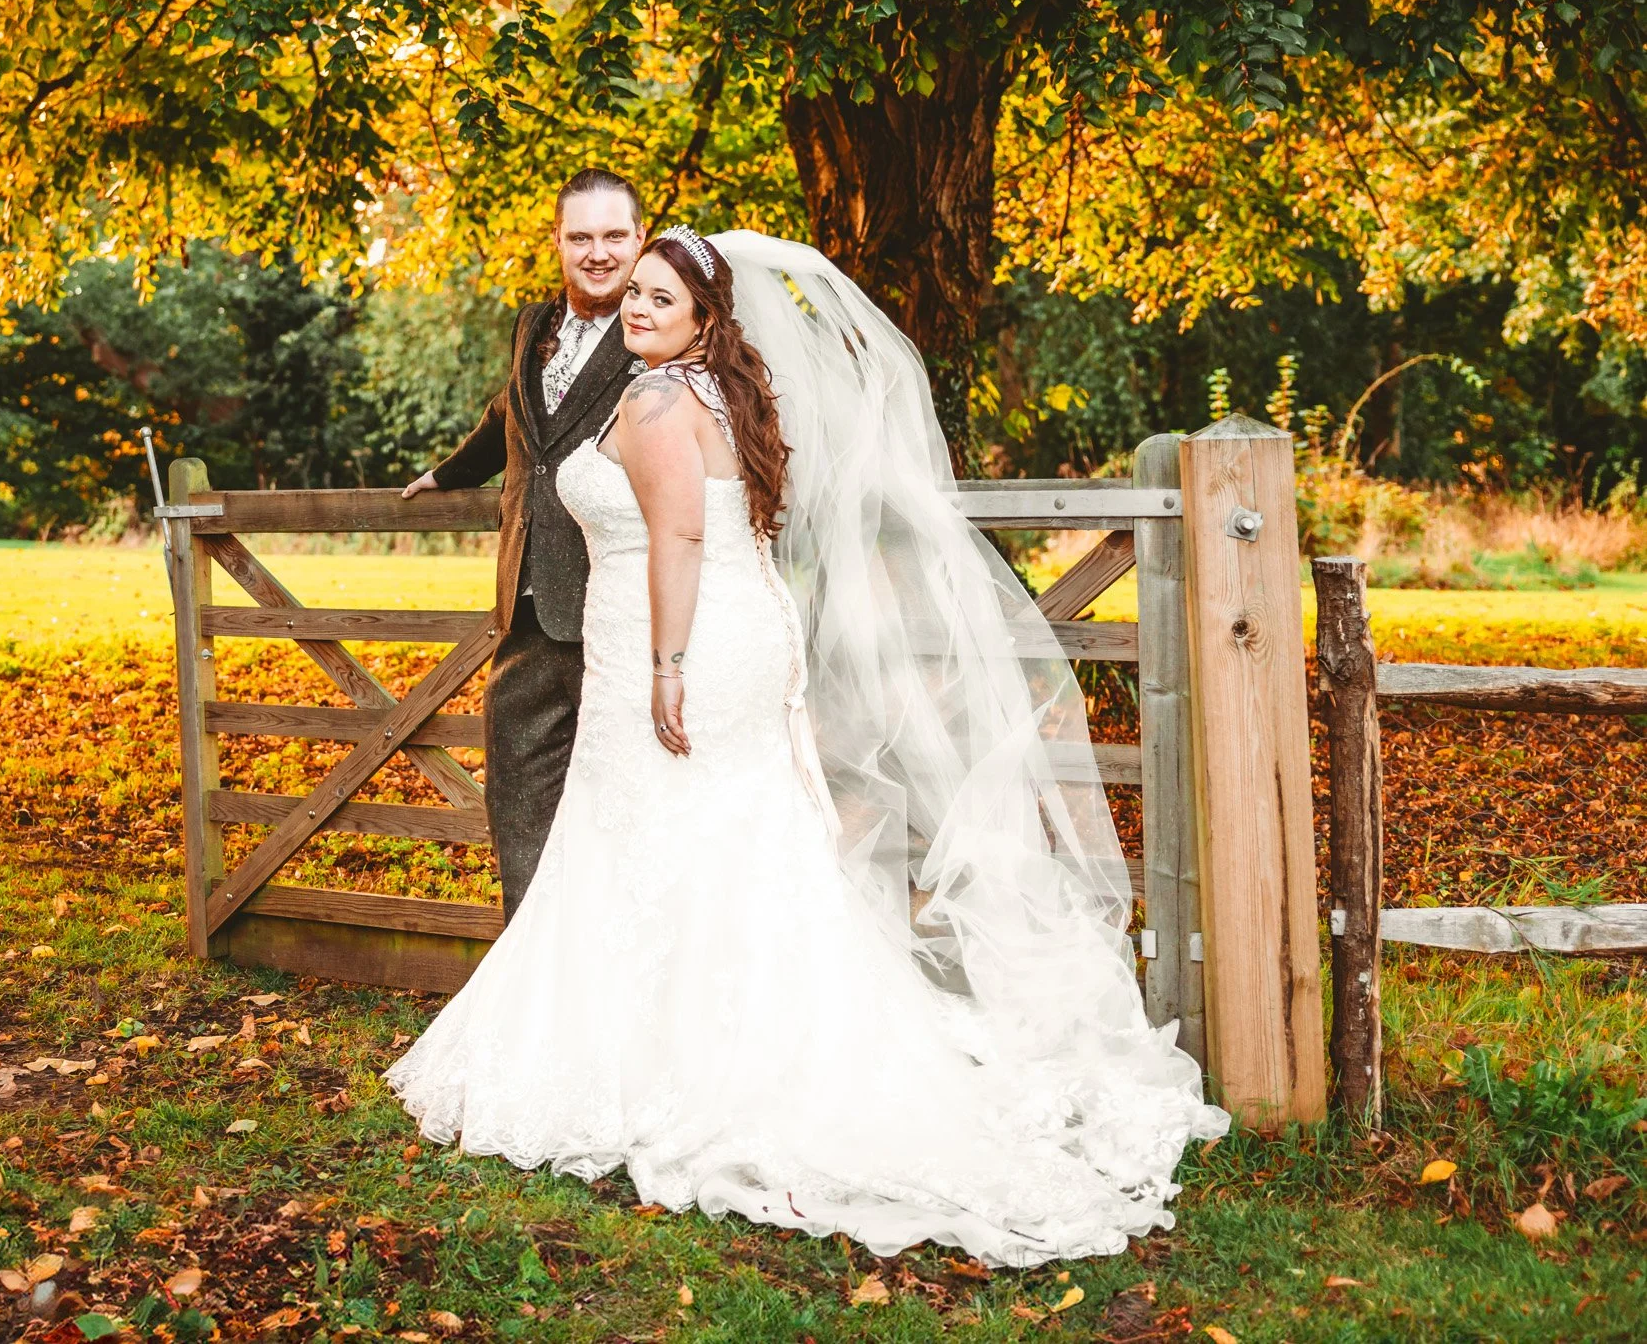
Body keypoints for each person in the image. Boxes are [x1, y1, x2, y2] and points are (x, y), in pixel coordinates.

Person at [386, 227, 1229, 1267]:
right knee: (717, 835)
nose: (639, 309)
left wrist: (666, 665)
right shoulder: (716, 393)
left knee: (662, 828)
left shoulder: (653, 402)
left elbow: (683, 540)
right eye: (633, 295)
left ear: (704, 315)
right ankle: (710, 1035)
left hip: (683, 639)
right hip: (731, 632)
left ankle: (681, 1058)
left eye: (660, 296)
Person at [399, 168, 643, 921]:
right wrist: (449, 472)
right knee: (519, 804)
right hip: (527, 611)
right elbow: (514, 414)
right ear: (558, 242)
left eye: (613, 236)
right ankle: (532, 987)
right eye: (581, 237)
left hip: (621, 615)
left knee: (626, 818)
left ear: (641, 238)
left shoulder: (663, 329)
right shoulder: (531, 324)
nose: (597, 253)